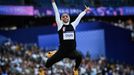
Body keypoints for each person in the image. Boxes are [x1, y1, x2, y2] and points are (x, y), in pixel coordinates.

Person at [45, 0, 90, 75]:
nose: (65, 17)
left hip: (72, 51)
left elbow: (79, 16)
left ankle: (75, 69)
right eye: (63, 16)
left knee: (79, 57)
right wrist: (53, 2)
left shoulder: (73, 25)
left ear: (69, 18)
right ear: (61, 19)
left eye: (66, 16)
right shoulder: (60, 25)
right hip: (61, 51)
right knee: (47, 64)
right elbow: (56, 12)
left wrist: (85, 11)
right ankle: (55, 52)